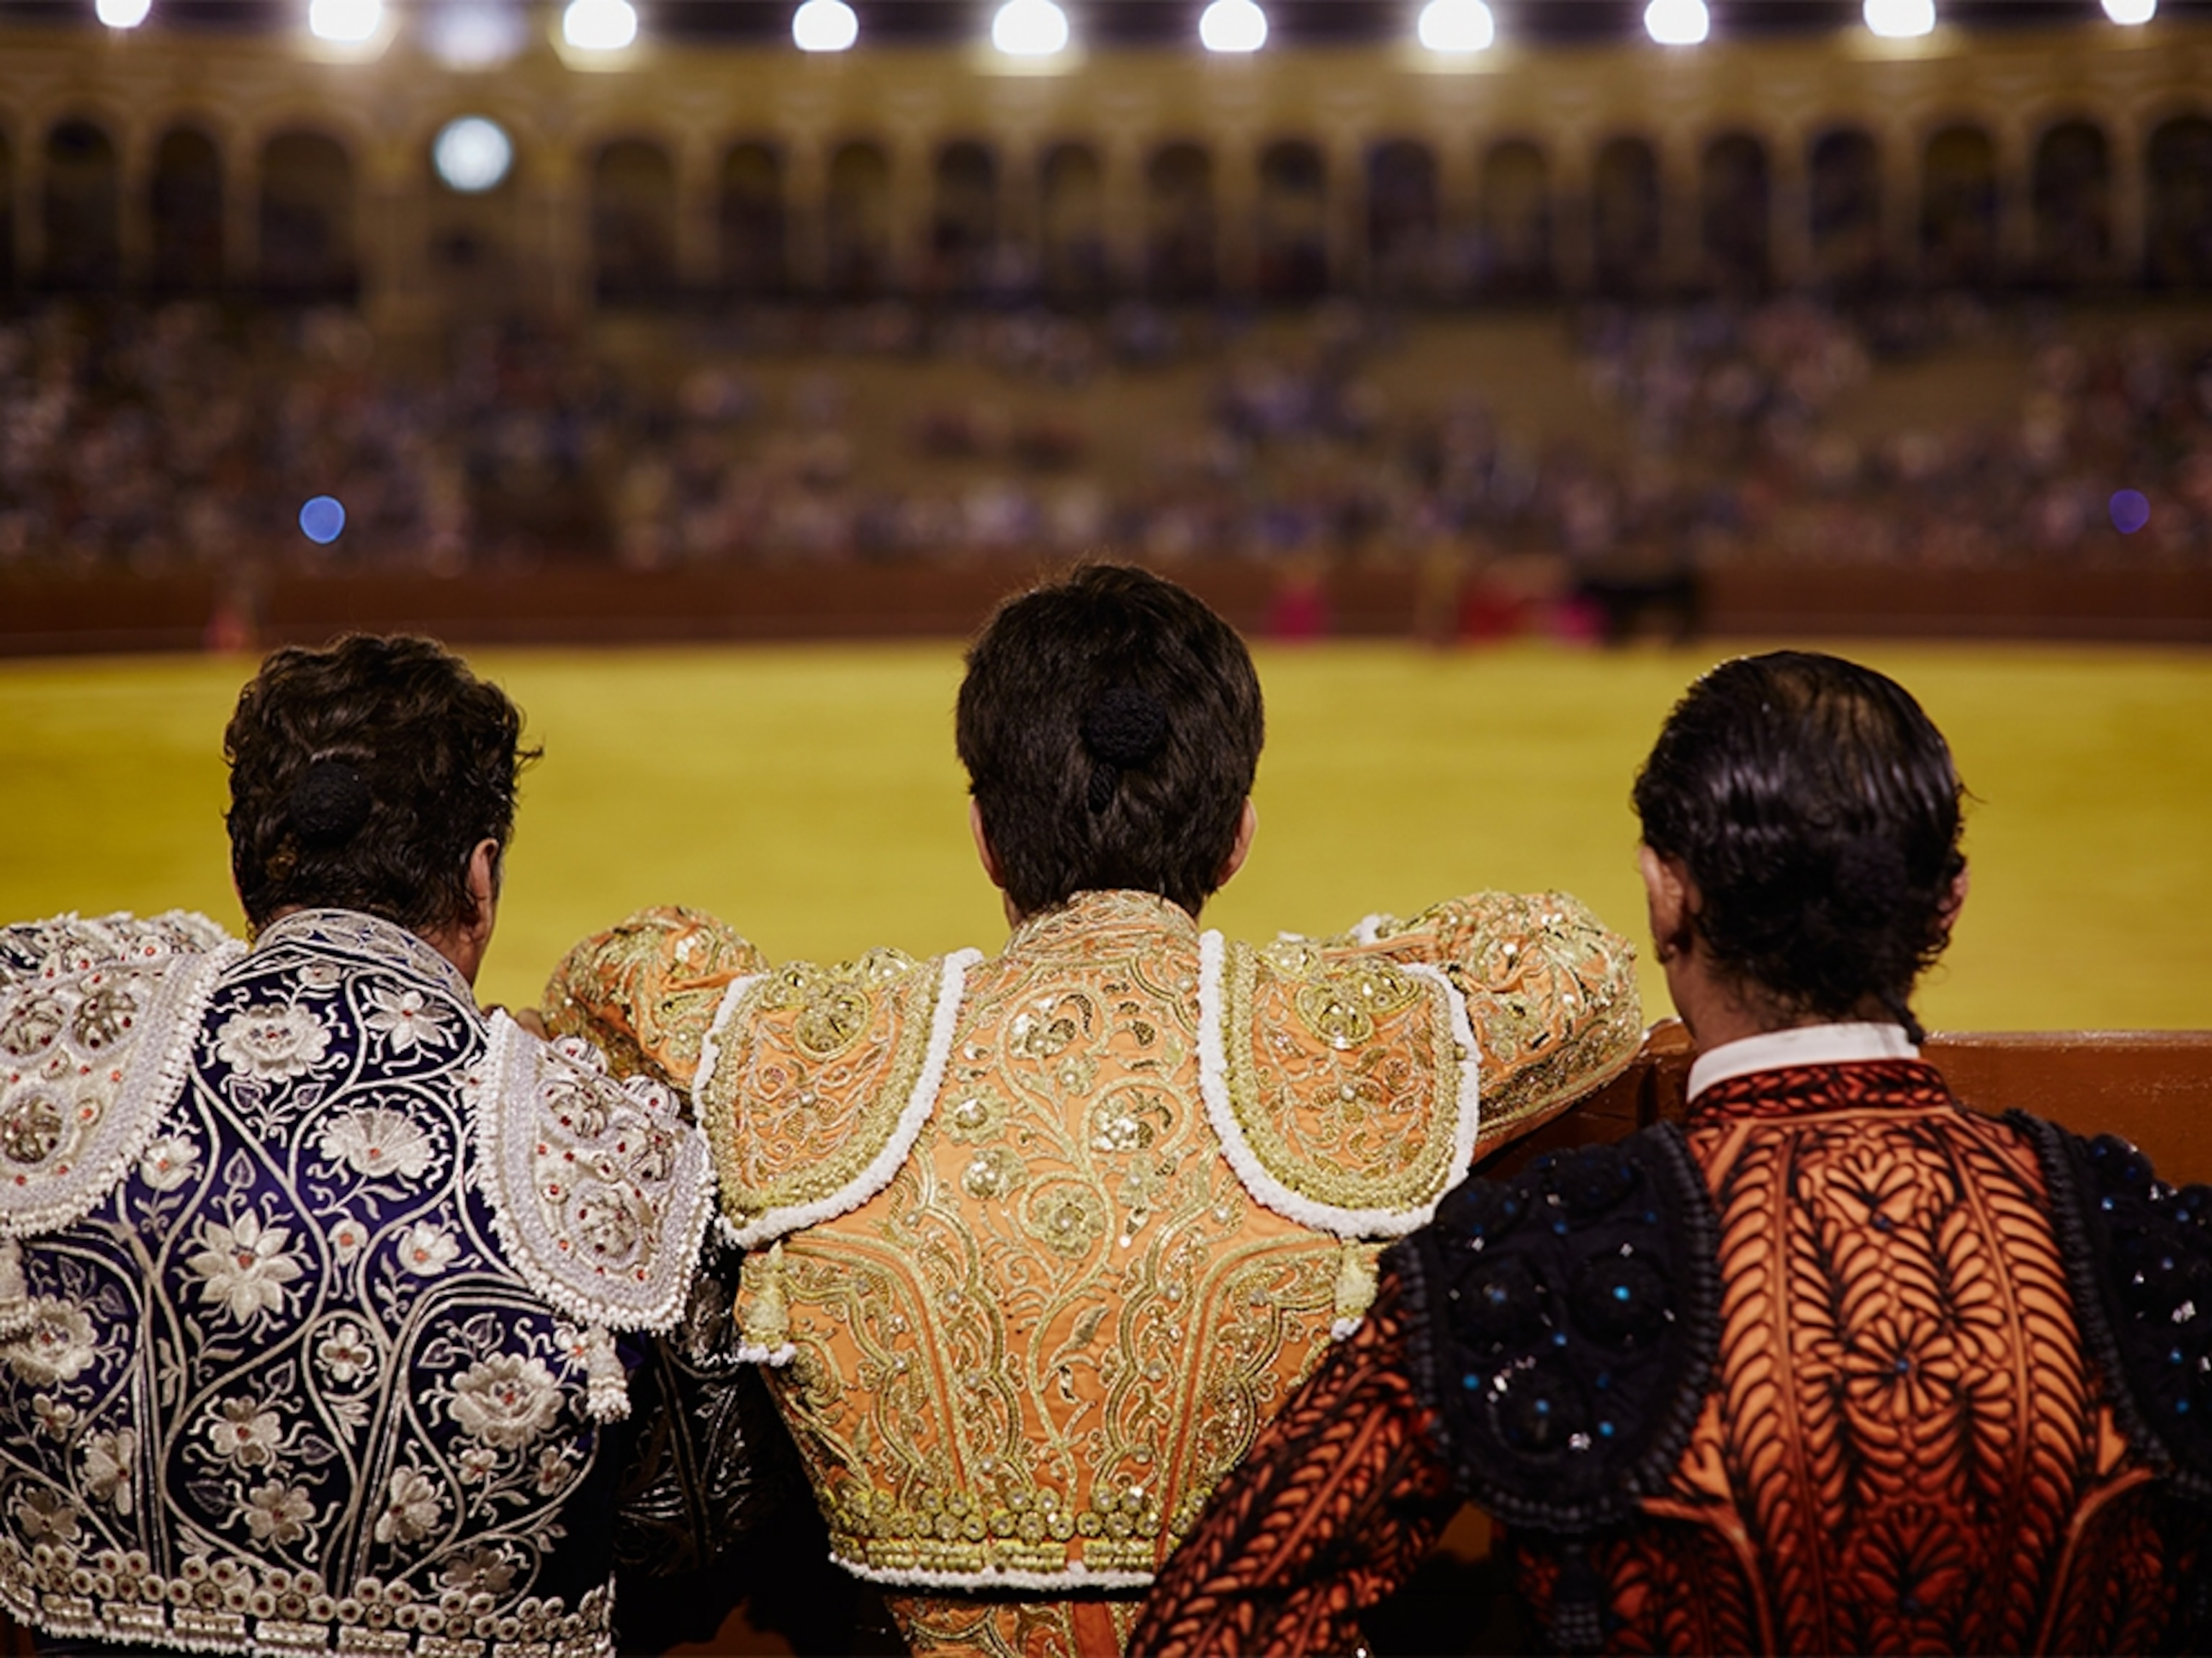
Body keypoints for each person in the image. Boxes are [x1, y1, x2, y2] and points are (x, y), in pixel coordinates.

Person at [544, 563, 1642, 1655]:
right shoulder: (1333, 1043)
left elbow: (617, 976)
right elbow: (1572, 967)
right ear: (1236, 840)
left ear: (985, 835)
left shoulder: (824, 1049)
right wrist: (1321, 981)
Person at [1129, 649, 2212, 1656]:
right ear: (1948, 903)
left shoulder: (1536, 1258)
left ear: (1666, 891)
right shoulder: (2141, 1240)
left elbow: (1217, 1624)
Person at [0, 635, 800, 1657]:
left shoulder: (57, 1048)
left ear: (250, 867)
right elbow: (700, 1514)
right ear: (480, 878)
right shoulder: (608, 1140)